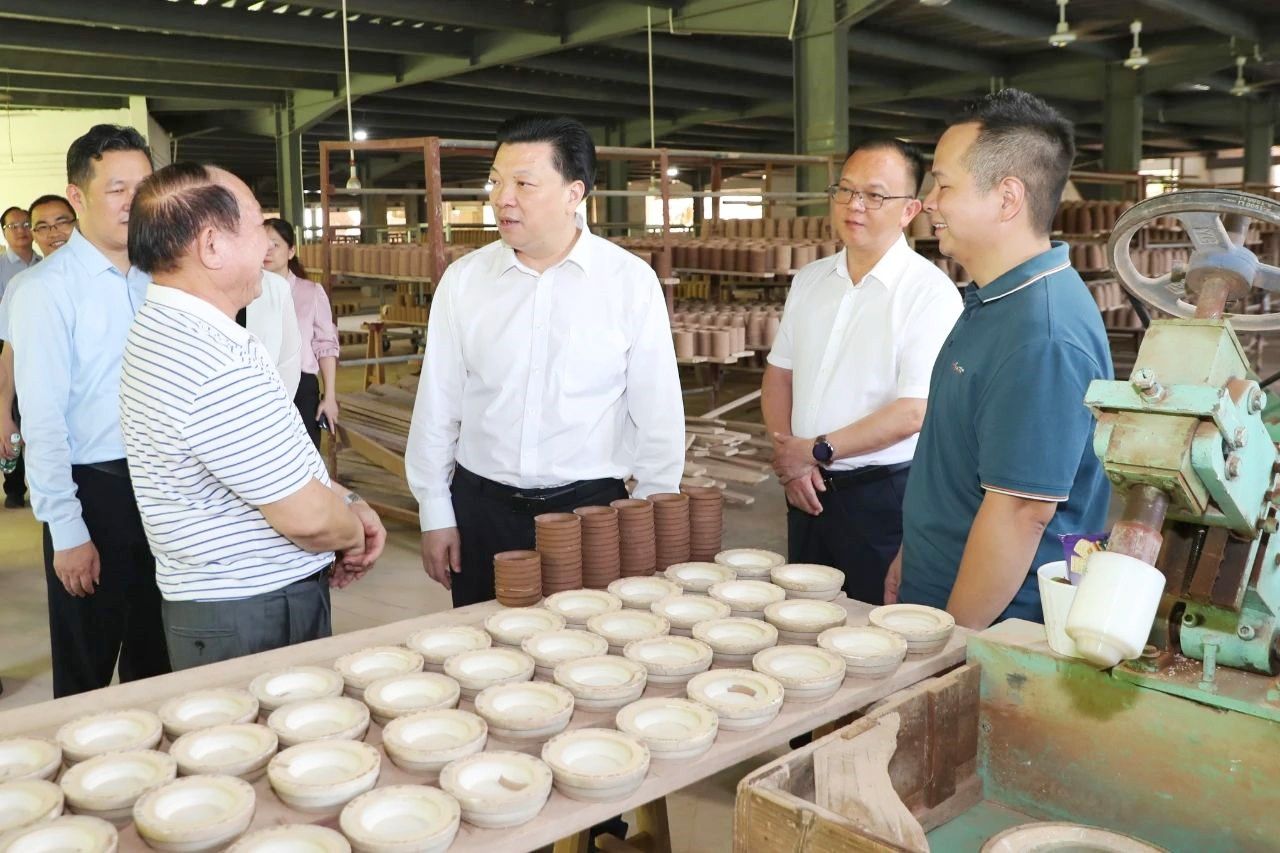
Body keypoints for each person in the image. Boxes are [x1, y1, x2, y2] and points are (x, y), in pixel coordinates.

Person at [406, 114, 685, 608]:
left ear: (574, 194)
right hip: (481, 511)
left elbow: (658, 413)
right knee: (482, 643)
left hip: (590, 514)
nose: (502, 198)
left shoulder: (628, 282)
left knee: (590, 641)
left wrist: (645, 519)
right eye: (495, 181)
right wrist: (435, 511)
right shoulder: (465, 281)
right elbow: (437, 404)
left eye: (523, 183)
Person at [118, 162, 386, 670]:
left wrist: (346, 498)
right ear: (212, 246)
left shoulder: (168, 325)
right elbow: (306, 518)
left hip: (228, 603)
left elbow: (274, 464)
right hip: (251, 611)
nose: (267, 243)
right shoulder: (211, 361)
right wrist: (354, 534)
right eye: (258, 224)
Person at [888, 89, 1112, 628]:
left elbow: (1020, 514)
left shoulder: (1042, 336)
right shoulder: (995, 301)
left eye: (943, 184)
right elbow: (960, 456)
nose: (929, 203)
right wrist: (912, 553)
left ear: (1007, 198)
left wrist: (952, 649)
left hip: (998, 627)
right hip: (939, 592)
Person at [762, 140, 962, 606]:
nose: (854, 205)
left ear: (909, 210)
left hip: (881, 498)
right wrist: (790, 458)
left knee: (876, 626)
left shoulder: (929, 294)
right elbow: (779, 376)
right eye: (846, 190)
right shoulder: (810, 281)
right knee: (803, 618)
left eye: (874, 195)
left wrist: (817, 450)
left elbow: (913, 411)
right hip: (807, 490)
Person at [9, 125, 171, 696]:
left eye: (143, 187)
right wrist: (67, 528)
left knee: (159, 658)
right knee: (87, 666)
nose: (134, 201)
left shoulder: (164, 276)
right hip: (95, 493)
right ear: (77, 196)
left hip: (166, 488)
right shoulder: (44, 290)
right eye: (117, 188)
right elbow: (43, 420)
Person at [0, 196, 78, 509]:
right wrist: (3, 413)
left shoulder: (109, 275)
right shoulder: (21, 285)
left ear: (77, 223)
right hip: (46, 417)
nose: (53, 232)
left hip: (103, 431)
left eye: (62, 222)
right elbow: (9, 353)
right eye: (42, 226)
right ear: (34, 234)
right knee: (57, 509)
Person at [263, 218, 340, 447]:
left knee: (305, 456)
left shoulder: (311, 292)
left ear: (291, 251)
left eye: (275, 244)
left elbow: (325, 346)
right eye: (262, 244)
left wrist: (330, 396)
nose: (267, 251)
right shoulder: (247, 294)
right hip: (262, 386)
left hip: (301, 388)